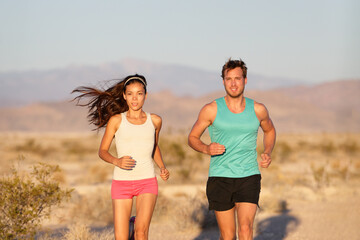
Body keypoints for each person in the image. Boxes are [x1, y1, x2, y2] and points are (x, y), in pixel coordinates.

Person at [72, 74, 170, 240]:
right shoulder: (116, 120)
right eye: (130, 93)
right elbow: (102, 151)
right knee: (121, 237)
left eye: (139, 93)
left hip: (147, 181)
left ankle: (136, 227)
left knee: (141, 233)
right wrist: (116, 161)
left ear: (146, 95)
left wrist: (162, 167)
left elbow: (153, 146)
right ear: (124, 96)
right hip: (121, 183)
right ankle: (131, 226)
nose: (134, 98)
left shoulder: (155, 121)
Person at [188, 58, 276, 240]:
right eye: (229, 79)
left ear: (245, 80)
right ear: (223, 81)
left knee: (245, 229)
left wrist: (267, 151)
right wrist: (206, 148)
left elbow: (270, 130)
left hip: (248, 175)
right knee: (228, 236)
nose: (233, 83)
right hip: (220, 177)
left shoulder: (258, 109)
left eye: (237, 78)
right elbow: (192, 138)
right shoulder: (211, 109)